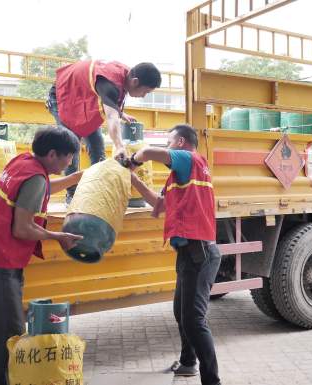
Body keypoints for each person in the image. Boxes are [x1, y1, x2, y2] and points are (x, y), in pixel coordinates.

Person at [0, 127, 85, 385]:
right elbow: (22, 228)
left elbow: (41, 189)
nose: (70, 162)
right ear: (53, 154)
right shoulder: (37, 178)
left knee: (3, 328)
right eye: (69, 157)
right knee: (9, 332)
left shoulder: (25, 162)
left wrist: (78, 177)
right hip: (0, 259)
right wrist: (59, 238)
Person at [128, 124, 222, 385]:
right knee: (181, 313)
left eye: (169, 142)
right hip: (188, 253)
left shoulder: (188, 158)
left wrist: (131, 161)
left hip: (199, 253)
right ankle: (188, 363)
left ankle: (212, 381)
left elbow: (146, 152)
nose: (168, 147)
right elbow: (158, 205)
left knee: (194, 320)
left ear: (180, 142)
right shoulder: (181, 176)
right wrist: (131, 179)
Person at [46, 59, 162, 203]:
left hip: (85, 99)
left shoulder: (126, 75)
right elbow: (111, 117)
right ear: (135, 81)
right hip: (63, 95)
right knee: (70, 145)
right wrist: (120, 146)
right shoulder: (110, 83)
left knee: (96, 145)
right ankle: (73, 194)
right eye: (145, 91)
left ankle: (96, 189)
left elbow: (111, 106)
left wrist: (120, 112)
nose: (144, 96)